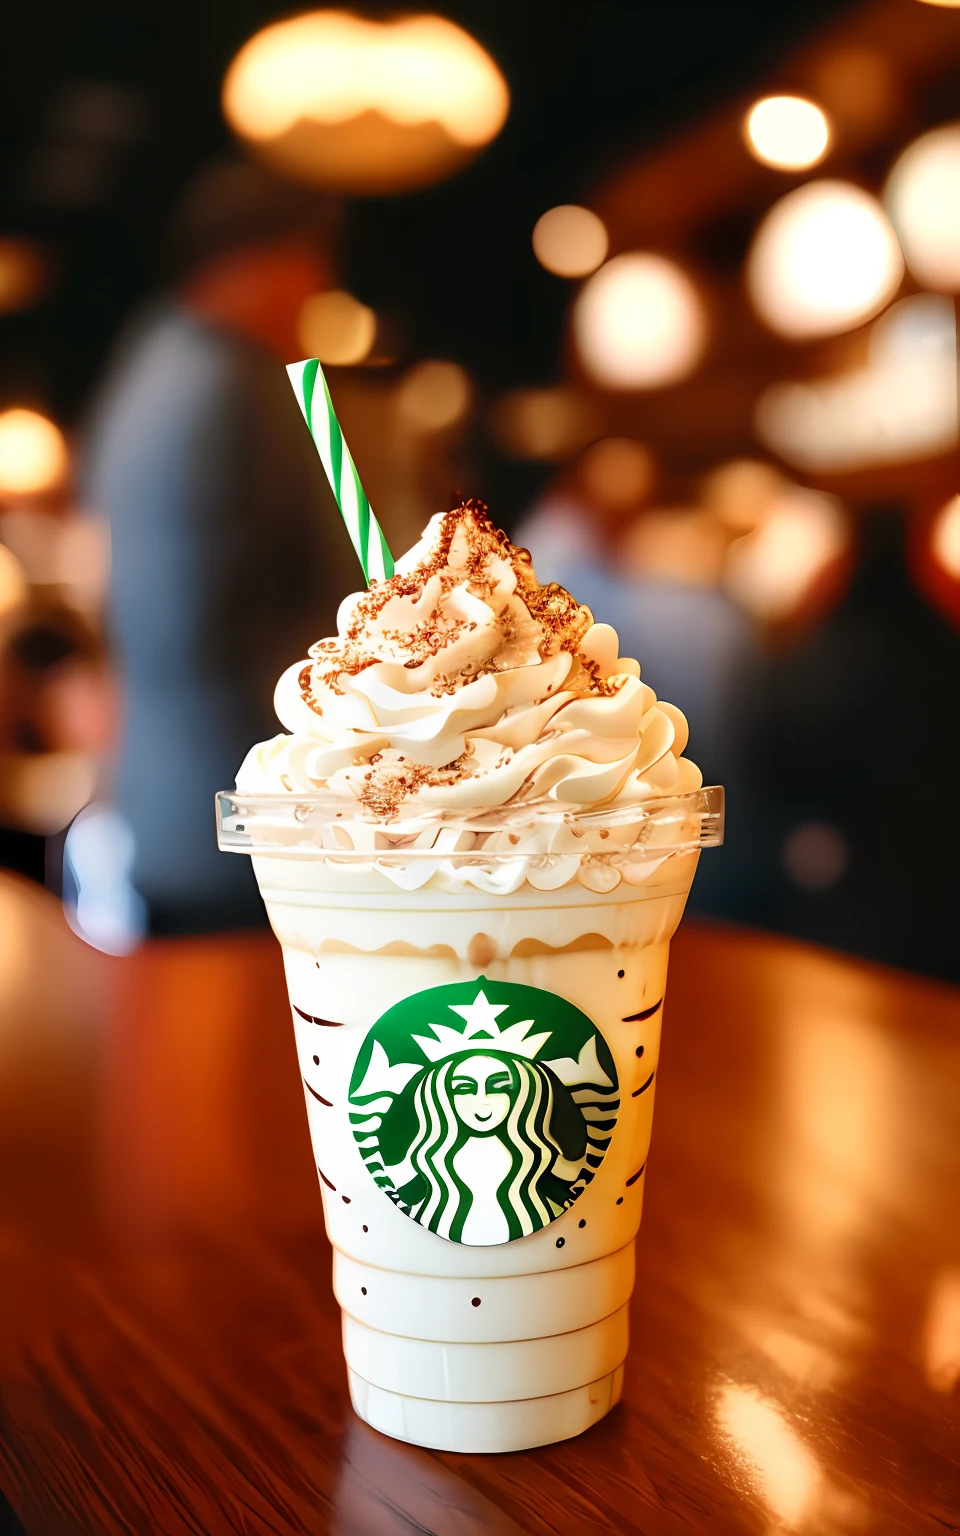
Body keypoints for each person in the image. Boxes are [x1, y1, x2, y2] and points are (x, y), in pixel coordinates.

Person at [83, 162, 358, 934]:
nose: (319, 291)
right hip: (239, 821)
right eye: (314, 263)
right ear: (260, 261)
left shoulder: (149, 364)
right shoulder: (220, 385)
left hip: (169, 798)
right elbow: (193, 625)